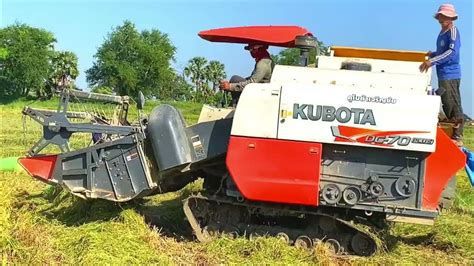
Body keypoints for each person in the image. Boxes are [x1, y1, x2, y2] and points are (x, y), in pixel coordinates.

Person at [419, 3, 463, 146]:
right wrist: (433, 54)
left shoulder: (453, 32)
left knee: (453, 103)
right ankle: (451, 132)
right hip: (443, 73)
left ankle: (457, 135)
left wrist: (432, 61)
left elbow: (451, 52)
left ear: (452, 18)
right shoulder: (442, 33)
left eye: (446, 16)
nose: (443, 19)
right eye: (441, 16)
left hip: (451, 73)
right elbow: (443, 51)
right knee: (446, 102)